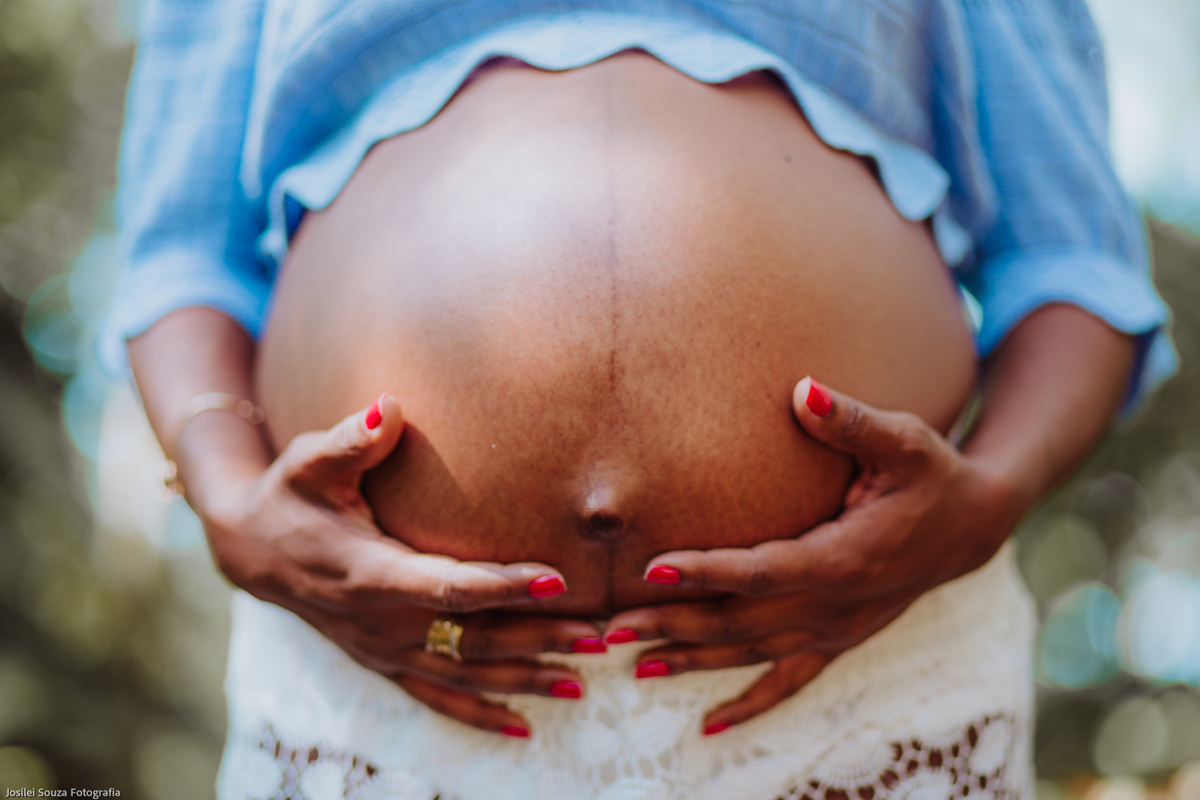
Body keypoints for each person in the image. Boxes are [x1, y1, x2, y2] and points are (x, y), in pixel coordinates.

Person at [103, 2, 1173, 798]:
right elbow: (181, 259)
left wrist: (990, 496)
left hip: (853, 671)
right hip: (393, 681)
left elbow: (1075, 270)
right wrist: (228, 497)